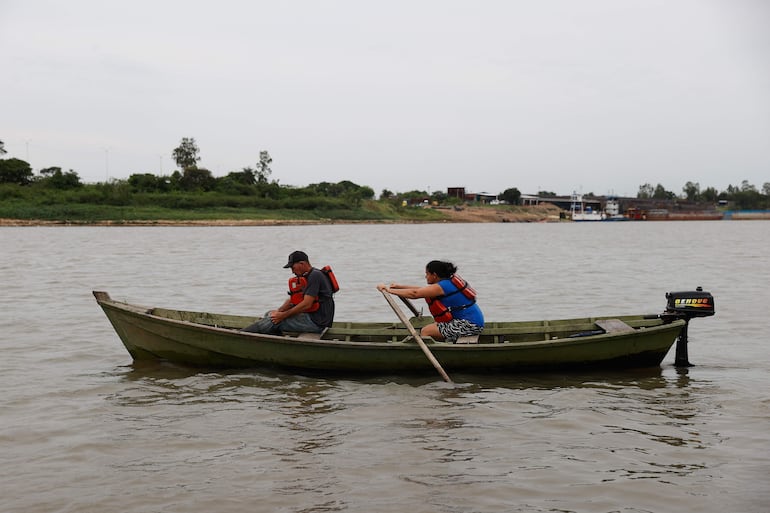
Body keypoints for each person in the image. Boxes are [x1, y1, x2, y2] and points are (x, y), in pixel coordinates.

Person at [377, 260, 484, 343]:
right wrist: (399, 287)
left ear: (434, 275)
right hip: (473, 322)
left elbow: (415, 293)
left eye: (427, 273)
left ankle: (434, 354)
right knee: (431, 327)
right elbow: (421, 290)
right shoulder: (446, 283)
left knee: (425, 331)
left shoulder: (443, 286)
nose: (425, 276)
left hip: (469, 325)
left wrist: (388, 290)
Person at [243, 250, 335, 335]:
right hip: (313, 318)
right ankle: (273, 338)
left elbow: (306, 304)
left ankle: (243, 334)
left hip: (316, 323)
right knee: (270, 314)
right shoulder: (308, 276)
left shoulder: (314, 276)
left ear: (302, 264)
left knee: (273, 321)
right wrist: (279, 311)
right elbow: (293, 300)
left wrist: (282, 316)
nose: (292, 271)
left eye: (293, 267)